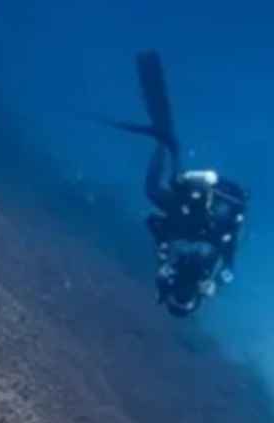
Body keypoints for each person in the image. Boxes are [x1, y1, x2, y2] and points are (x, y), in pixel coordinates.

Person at [101, 51, 249, 317]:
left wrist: (162, 257)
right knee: (174, 187)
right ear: (196, 299)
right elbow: (229, 262)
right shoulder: (210, 276)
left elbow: (161, 237)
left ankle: (163, 144)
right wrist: (215, 283)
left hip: (189, 219)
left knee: (157, 189)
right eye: (185, 300)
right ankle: (168, 147)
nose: (182, 294)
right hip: (204, 217)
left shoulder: (171, 279)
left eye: (177, 299)